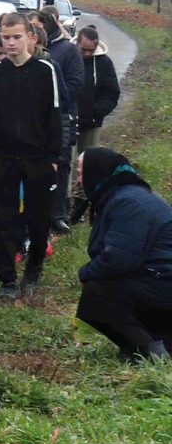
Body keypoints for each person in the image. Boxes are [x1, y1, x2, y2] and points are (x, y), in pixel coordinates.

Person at [0, 9, 65, 300]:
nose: (11, 43)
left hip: (37, 157)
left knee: (38, 218)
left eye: (16, 37)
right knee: (2, 218)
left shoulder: (45, 71)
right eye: (6, 37)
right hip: (2, 157)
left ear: (30, 37)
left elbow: (55, 114)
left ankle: (33, 269)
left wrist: (54, 157)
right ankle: (7, 279)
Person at [74, 148, 172, 361]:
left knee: (97, 293)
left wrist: (85, 273)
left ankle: (150, 354)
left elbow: (119, 258)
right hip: (159, 279)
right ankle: (158, 343)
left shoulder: (128, 202)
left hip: (163, 283)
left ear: (97, 172)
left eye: (81, 173)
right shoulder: (125, 196)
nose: (79, 180)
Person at [40, 7, 86, 234]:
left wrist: (53, 99)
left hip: (61, 116)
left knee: (61, 165)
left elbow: (76, 82)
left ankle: (58, 214)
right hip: (34, 120)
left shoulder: (67, 50)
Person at [72, 26, 123, 223]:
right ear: (77, 42)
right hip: (68, 120)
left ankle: (80, 204)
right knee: (67, 163)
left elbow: (112, 93)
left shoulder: (104, 63)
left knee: (87, 164)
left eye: (90, 50)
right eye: (83, 49)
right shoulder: (69, 58)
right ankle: (63, 205)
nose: (86, 54)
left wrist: (95, 112)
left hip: (91, 122)